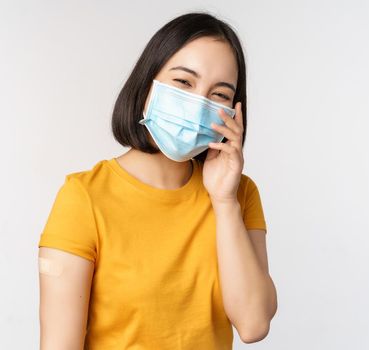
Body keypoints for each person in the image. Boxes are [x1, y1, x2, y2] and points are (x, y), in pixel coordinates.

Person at [37, 12, 277, 349]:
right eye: (184, 83)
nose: (199, 104)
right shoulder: (84, 198)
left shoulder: (240, 194)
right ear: (149, 83)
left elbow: (253, 325)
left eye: (220, 95)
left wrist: (224, 202)